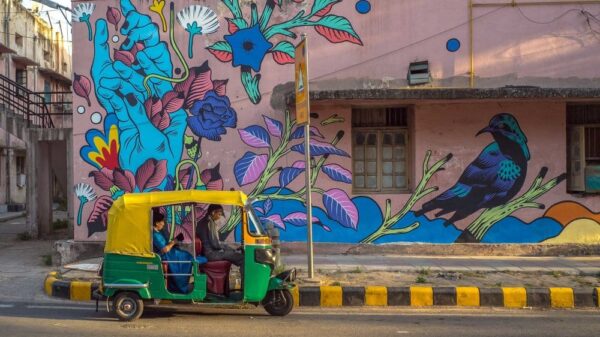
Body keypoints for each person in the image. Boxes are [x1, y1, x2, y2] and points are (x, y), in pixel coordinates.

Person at [152, 211, 206, 293]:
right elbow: (164, 249)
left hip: (170, 253)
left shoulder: (159, 232)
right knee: (187, 257)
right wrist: (174, 242)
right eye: (162, 221)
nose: (163, 224)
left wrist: (174, 242)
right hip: (166, 255)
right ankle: (181, 286)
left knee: (186, 254)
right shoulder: (155, 235)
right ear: (156, 223)